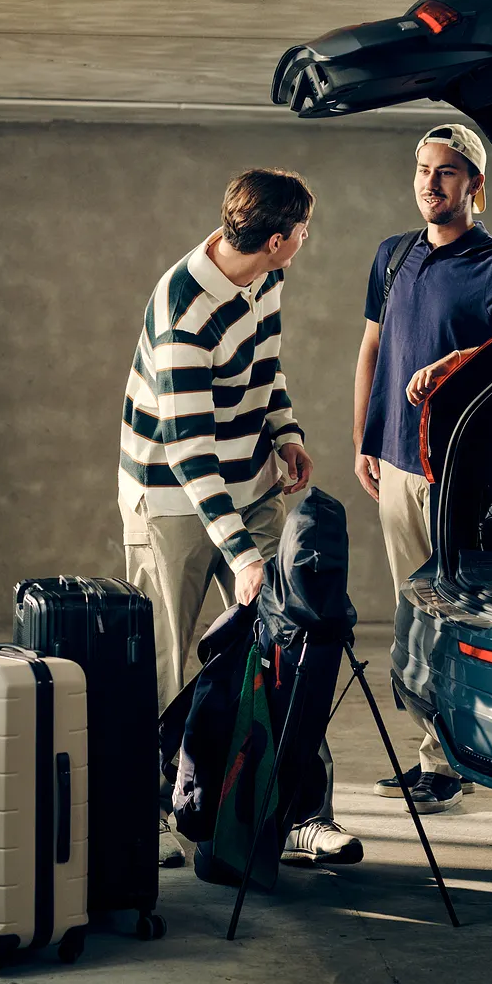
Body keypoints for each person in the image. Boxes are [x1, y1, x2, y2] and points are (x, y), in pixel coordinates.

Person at [119, 168, 362, 866]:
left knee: (290, 647)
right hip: (172, 496)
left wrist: (285, 431)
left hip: (251, 483)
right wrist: (245, 556)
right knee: (166, 662)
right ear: (279, 239)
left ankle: (300, 814)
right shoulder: (185, 310)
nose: (307, 240)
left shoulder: (266, 276)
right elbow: (188, 450)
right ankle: (151, 816)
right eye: (304, 231)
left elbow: (265, 364)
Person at [353, 125, 492, 814]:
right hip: (396, 462)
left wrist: (462, 361)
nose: (431, 184)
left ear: (475, 185)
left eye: (448, 172)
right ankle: (435, 753)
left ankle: (451, 761)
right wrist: (365, 437)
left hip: (455, 473)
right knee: (413, 616)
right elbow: (373, 348)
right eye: (424, 170)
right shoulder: (394, 255)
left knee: (452, 617)